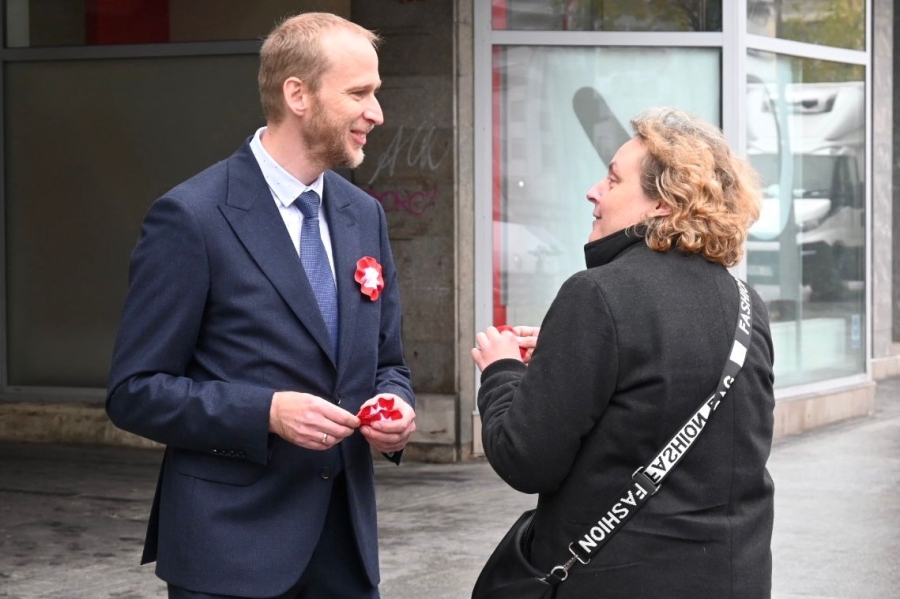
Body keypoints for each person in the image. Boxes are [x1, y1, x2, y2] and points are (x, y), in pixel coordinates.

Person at [106, 12, 416, 599]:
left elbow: (388, 363)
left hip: (345, 554)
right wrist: (266, 412)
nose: (377, 112)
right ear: (297, 95)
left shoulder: (364, 214)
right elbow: (135, 392)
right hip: (228, 553)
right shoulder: (191, 217)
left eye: (375, 93)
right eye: (359, 93)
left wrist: (395, 408)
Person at [472, 107, 774, 598]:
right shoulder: (745, 303)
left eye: (613, 180)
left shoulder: (597, 294)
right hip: (732, 577)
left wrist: (501, 371)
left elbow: (524, 459)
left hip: (617, 579)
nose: (594, 191)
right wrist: (565, 352)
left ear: (663, 204)